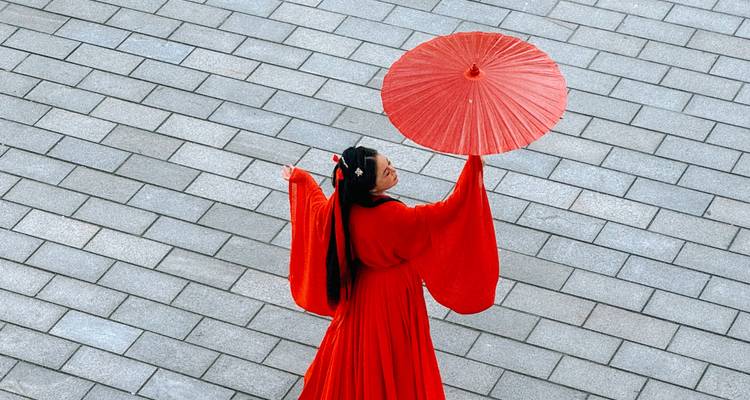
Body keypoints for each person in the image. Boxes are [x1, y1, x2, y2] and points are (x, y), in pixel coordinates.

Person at [282, 146, 499, 399]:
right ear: (370, 187)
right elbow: (448, 212)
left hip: (362, 292)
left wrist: (302, 178)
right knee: (398, 355)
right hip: (394, 294)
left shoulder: (341, 205)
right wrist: (473, 169)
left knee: (357, 351)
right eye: (386, 171)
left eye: (390, 163)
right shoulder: (394, 216)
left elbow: (317, 209)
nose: (394, 171)